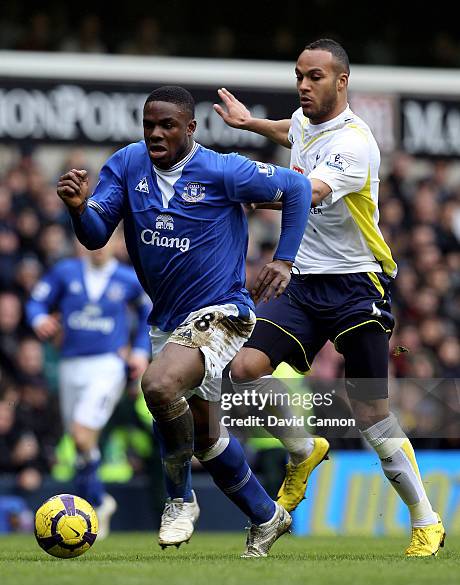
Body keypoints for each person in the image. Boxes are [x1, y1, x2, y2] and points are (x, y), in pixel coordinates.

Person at [55, 86, 312, 557]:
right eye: (149, 124)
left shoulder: (220, 169)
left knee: (157, 386)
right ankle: (266, 515)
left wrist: (285, 259)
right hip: (168, 322)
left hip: (223, 311)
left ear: (190, 129)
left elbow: (295, 189)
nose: (156, 133)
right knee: (204, 432)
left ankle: (178, 500)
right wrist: (77, 208)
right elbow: (95, 235)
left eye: (167, 125)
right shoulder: (128, 165)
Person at [214, 39, 445, 557]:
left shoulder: (356, 143)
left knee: (369, 412)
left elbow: (307, 192)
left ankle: (425, 519)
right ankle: (303, 450)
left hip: (358, 283)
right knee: (245, 366)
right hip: (305, 282)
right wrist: (252, 125)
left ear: (341, 81)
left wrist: (243, 188)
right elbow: (289, 132)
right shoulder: (302, 120)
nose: (303, 85)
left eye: (314, 76)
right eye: (299, 75)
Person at [26, 237, 151, 538]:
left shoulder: (127, 278)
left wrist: (140, 350)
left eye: (104, 240)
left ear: (118, 243)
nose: (97, 246)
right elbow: (36, 301)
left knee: (82, 434)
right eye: (90, 240)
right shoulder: (64, 272)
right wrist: (39, 318)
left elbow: (149, 312)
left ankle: (95, 501)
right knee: (82, 444)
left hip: (108, 365)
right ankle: (93, 503)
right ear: (79, 243)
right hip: (70, 364)